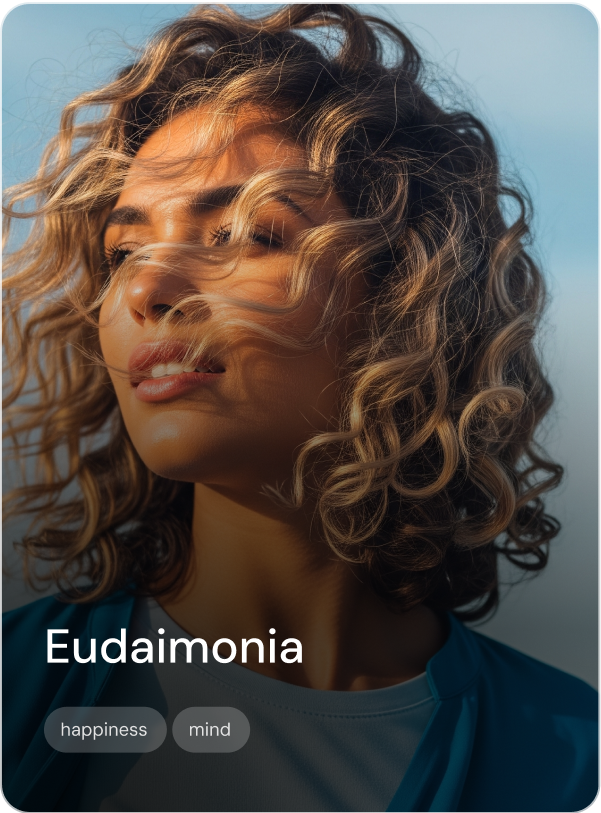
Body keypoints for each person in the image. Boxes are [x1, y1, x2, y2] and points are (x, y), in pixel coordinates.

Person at [2, 4, 597, 812]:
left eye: (245, 234)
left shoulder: (571, 759)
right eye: (124, 249)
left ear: (402, 295)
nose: (146, 287)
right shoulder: (14, 687)